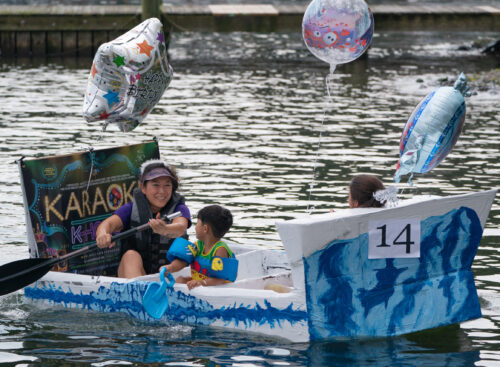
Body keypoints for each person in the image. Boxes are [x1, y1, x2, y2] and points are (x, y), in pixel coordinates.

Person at [96, 160, 191, 278]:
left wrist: (164, 229)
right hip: (138, 274)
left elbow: (180, 227)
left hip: (169, 276)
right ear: (143, 188)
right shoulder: (130, 209)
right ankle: (138, 293)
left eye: (167, 185)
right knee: (130, 256)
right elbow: (108, 224)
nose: (162, 191)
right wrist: (102, 235)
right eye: (155, 185)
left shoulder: (180, 208)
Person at [163, 204, 235, 290]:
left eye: (197, 223)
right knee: (180, 279)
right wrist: (170, 268)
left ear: (205, 229)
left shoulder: (220, 250)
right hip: (200, 282)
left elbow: (220, 279)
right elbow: (183, 261)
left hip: (215, 286)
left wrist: (201, 283)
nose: (195, 227)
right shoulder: (198, 245)